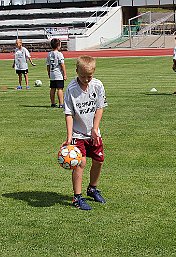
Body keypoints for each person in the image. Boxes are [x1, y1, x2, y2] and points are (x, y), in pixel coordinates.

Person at [62, 55, 108, 211]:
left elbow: (99, 108)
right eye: (83, 76)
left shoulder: (97, 85)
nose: (86, 79)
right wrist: (69, 137)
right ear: (76, 71)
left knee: (99, 160)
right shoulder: (71, 89)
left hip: (93, 133)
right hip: (77, 134)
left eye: (89, 76)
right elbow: (69, 114)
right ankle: (77, 198)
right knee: (80, 163)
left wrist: (95, 128)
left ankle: (92, 189)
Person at [46, 38, 67, 108]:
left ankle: (52, 103)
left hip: (52, 73)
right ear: (58, 45)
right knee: (60, 88)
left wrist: (49, 73)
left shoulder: (49, 54)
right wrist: (64, 74)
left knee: (52, 88)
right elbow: (62, 64)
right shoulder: (59, 54)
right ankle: (61, 103)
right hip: (58, 74)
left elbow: (48, 65)